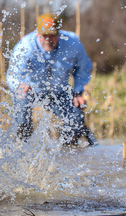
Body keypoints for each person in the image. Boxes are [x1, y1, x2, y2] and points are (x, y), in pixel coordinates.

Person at [6, 12, 97, 146]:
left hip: (60, 92)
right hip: (31, 91)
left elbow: (83, 68)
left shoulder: (73, 44)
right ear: (37, 34)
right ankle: (22, 147)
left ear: (58, 34)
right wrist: (20, 85)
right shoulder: (25, 47)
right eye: (44, 36)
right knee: (22, 113)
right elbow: (13, 74)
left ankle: (68, 152)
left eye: (52, 36)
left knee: (76, 120)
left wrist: (77, 92)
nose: (48, 39)